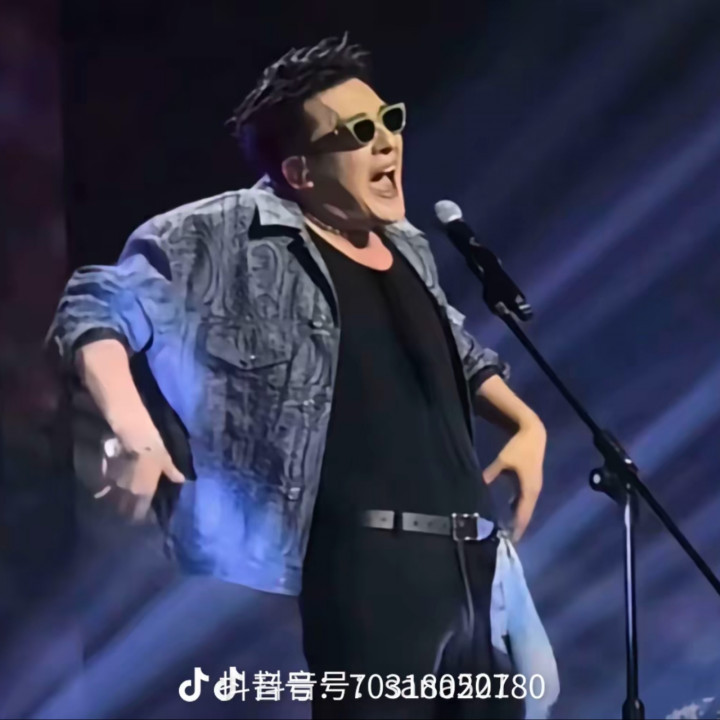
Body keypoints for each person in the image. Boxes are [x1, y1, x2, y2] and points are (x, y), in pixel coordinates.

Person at [49, 35, 558, 719]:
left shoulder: (407, 244)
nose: (387, 142)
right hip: (372, 572)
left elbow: (458, 351)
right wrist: (133, 427)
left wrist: (525, 422)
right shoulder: (228, 232)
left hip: (475, 563)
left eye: (389, 121)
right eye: (358, 133)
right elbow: (98, 304)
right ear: (300, 171)